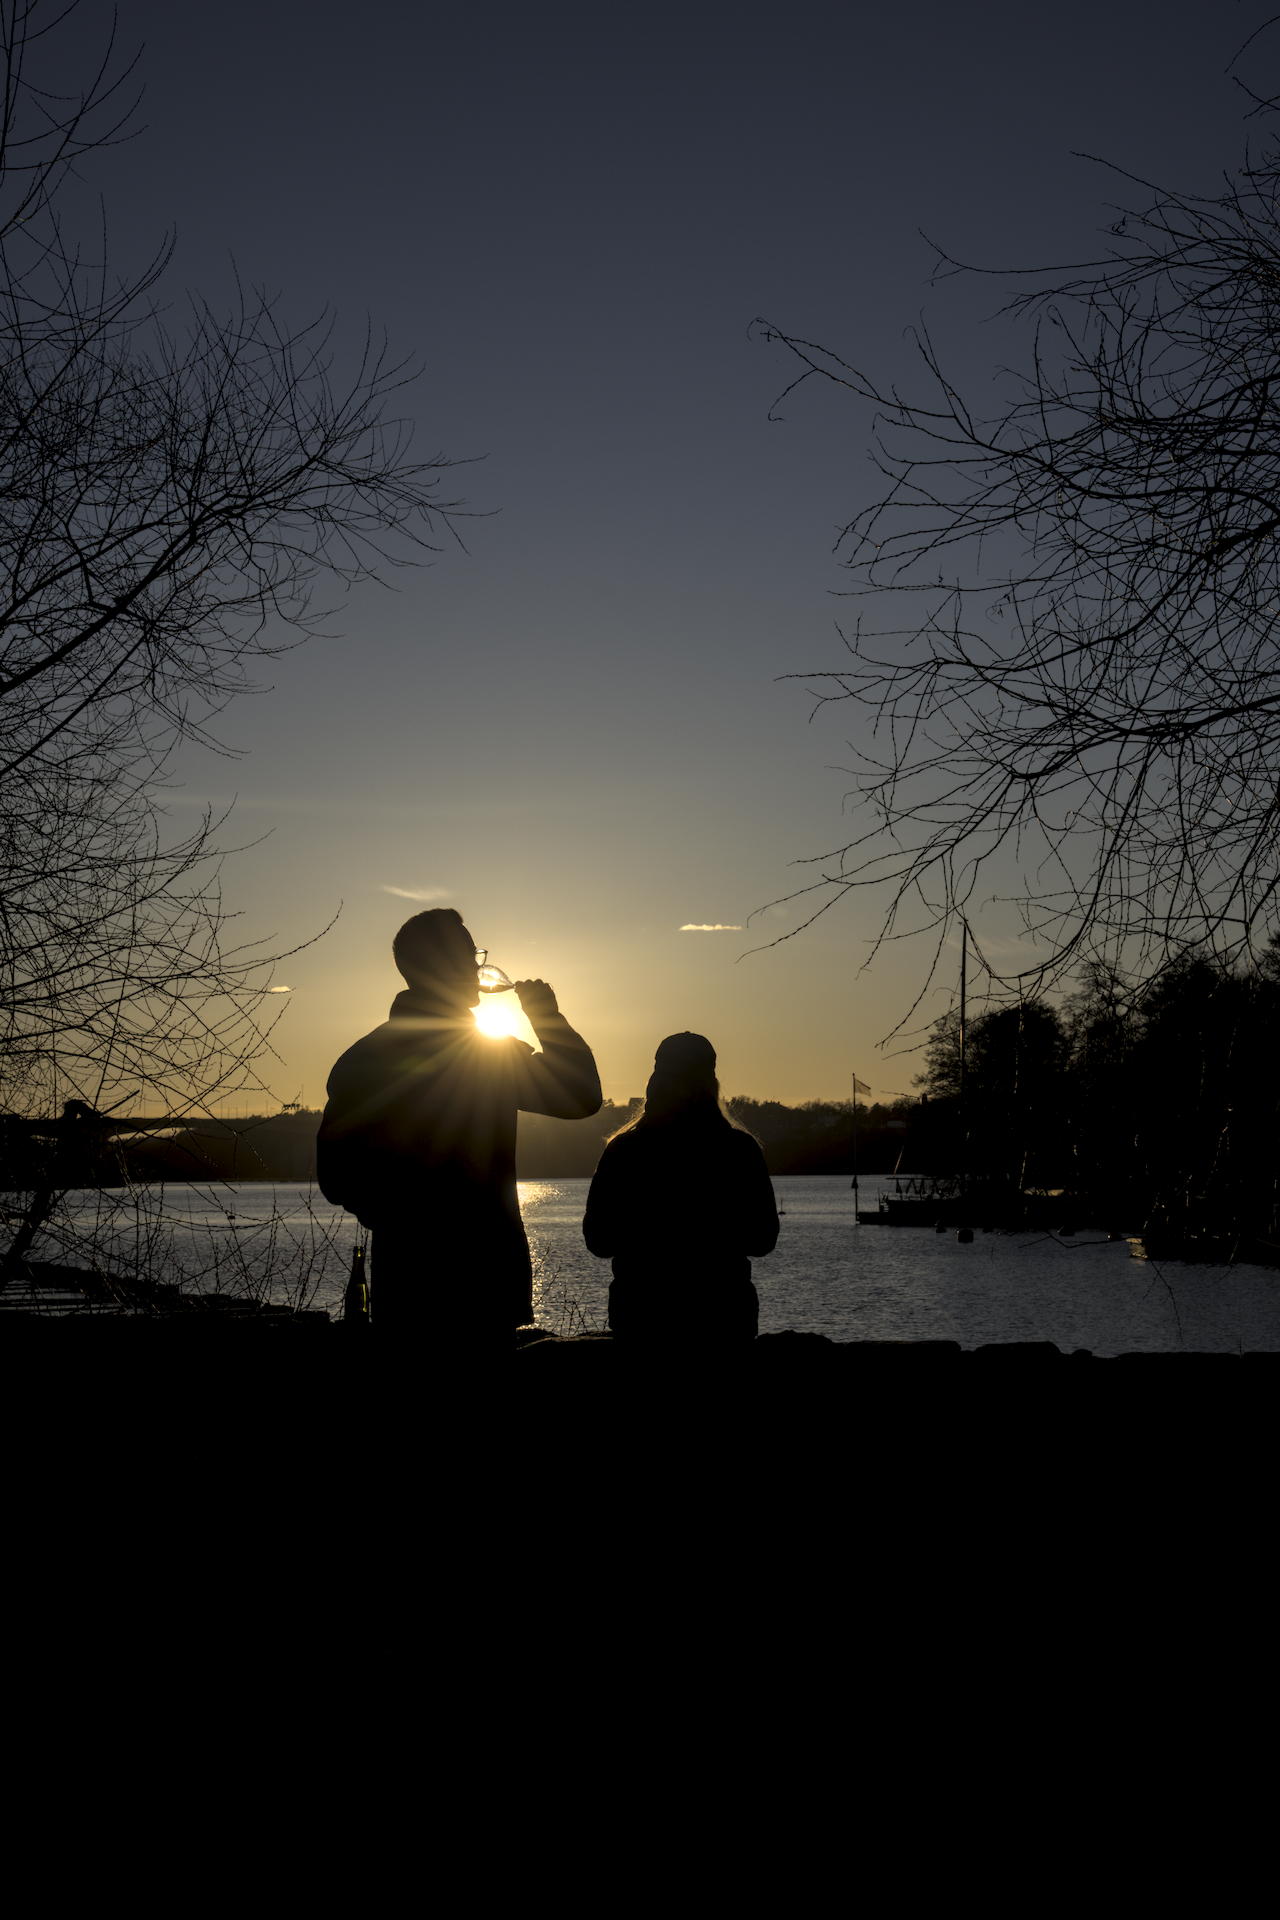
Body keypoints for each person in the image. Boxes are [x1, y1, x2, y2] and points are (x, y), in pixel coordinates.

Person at [317, 908, 601, 1343]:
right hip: (483, 1283)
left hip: (407, 1286)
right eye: (469, 956)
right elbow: (581, 1096)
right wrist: (546, 1016)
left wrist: (398, 1222)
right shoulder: (489, 1055)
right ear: (444, 966)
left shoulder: (362, 1058)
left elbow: (337, 1175)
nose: (477, 967)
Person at [582, 1032, 778, 1345]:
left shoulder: (625, 1151)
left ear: (655, 1080)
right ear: (711, 1082)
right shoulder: (739, 1150)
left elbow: (599, 1241)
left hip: (642, 1315)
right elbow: (762, 1239)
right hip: (723, 1317)